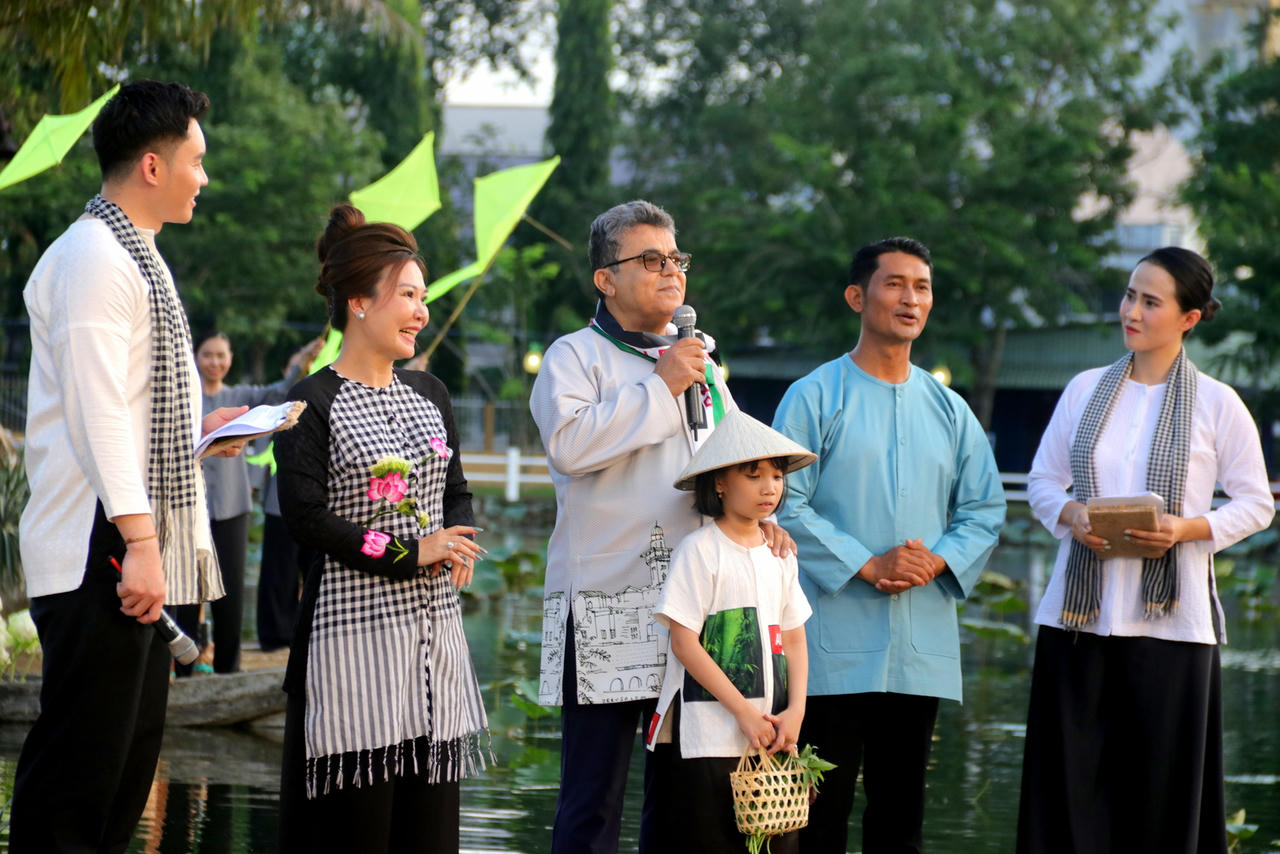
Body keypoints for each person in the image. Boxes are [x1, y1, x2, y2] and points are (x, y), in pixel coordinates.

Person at [11, 80, 249, 851]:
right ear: (153, 165)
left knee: (122, 773)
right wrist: (142, 545)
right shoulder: (94, 257)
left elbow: (134, 406)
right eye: (197, 159)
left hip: (122, 538)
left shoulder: (135, 254)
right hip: (100, 545)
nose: (204, 177)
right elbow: (98, 413)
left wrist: (202, 430)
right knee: (81, 777)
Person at [530, 199, 794, 854]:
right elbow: (570, 447)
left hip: (695, 616)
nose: (671, 270)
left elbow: (733, 461)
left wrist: (766, 519)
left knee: (685, 799)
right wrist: (661, 385)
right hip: (603, 604)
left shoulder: (699, 360)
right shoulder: (574, 356)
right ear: (605, 278)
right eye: (651, 260)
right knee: (592, 799)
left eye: (676, 258)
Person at [1016, 247, 1275, 853]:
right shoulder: (1085, 389)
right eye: (1130, 295)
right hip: (1077, 621)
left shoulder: (1218, 403)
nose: (1131, 310)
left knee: (1159, 801)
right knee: (1068, 790)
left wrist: (1186, 530)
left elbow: (1256, 502)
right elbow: (1043, 482)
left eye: (1150, 301)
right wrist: (1073, 512)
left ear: (1189, 317)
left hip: (1173, 628)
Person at [772, 236, 1006, 853]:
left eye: (922, 286)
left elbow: (984, 509)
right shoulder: (814, 396)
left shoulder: (950, 409)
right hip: (826, 645)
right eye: (895, 283)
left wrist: (939, 558)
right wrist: (867, 563)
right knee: (816, 813)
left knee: (902, 813)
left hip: (918, 645)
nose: (910, 298)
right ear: (858, 296)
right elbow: (779, 501)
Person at [274, 203, 490, 853]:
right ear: (359, 302)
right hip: (350, 657)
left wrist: (462, 537)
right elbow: (308, 521)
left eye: (424, 296)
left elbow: (455, 490)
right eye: (408, 295)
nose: (422, 311)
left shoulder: (432, 395)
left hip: (433, 655)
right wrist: (407, 550)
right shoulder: (310, 405)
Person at [646, 410, 816, 854]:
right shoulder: (699, 551)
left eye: (777, 476)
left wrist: (796, 710)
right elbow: (684, 642)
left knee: (780, 842)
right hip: (707, 734)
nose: (769, 487)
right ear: (720, 483)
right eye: (753, 474)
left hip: (774, 732)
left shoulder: (781, 554)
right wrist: (741, 711)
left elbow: (794, 637)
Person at [170, 331, 321, 674]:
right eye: (208, 355)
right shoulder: (186, 400)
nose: (214, 362)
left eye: (221, 355)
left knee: (230, 591)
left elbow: (280, 391)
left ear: (230, 359)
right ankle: (184, 668)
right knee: (187, 590)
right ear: (196, 357)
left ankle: (228, 667)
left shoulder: (241, 396)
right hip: (189, 508)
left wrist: (303, 362)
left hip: (233, 508)